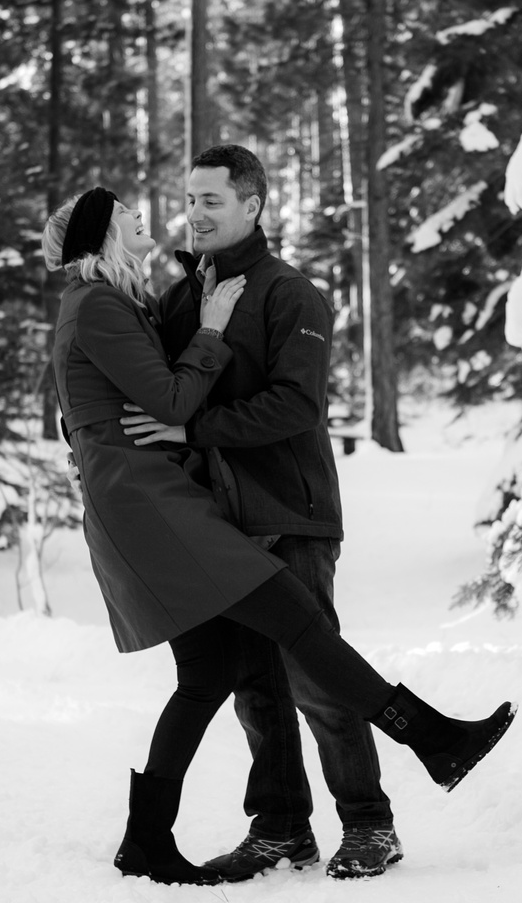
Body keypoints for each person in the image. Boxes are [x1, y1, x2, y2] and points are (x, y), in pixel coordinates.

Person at [45, 185, 517, 890]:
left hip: (164, 497)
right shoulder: (100, 303)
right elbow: (170, 400)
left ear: (255, 206)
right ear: (103, 233)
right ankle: (435, 741)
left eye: (207, 197)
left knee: (209, 675)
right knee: (293, 623)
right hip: (149, 504)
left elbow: (114, 397)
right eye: (127, 213)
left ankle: (146, 839)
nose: (150, 215)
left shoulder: (133, 300)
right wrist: (210, 330)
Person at [122, 143, 399, 881]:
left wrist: (194, 430)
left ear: (252, 204)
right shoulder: (184, 299)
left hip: (291, 507)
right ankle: (280, 827)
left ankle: (370, 823)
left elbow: (298, 403)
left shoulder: (289, 293)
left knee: (316, 677)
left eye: (212, 200)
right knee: (254, 686)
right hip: (220, 524)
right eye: (190, 198)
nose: (196, 213)